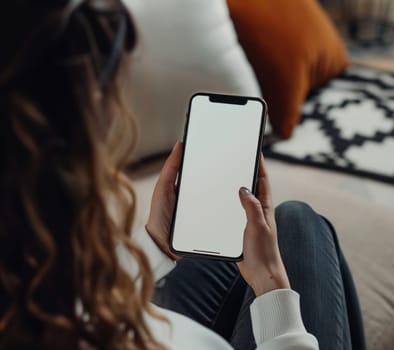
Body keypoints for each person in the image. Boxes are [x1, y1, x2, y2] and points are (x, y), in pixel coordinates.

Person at [0, 1, 365, 349]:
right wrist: (272, 287)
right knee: (298, 223)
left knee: (264, 231)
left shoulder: (37, 274)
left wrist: (156, 245)